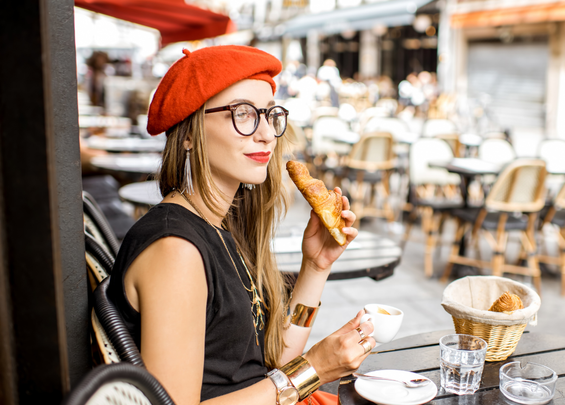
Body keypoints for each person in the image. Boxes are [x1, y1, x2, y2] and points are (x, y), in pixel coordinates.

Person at [108, 45, 375, 405]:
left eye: (269, 115)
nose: (266, 133)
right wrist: (313, 369)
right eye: (244, 114)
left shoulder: (220, 225)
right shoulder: (175, 251)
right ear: (188, 132)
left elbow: (273, 360)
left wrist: (316, 266)